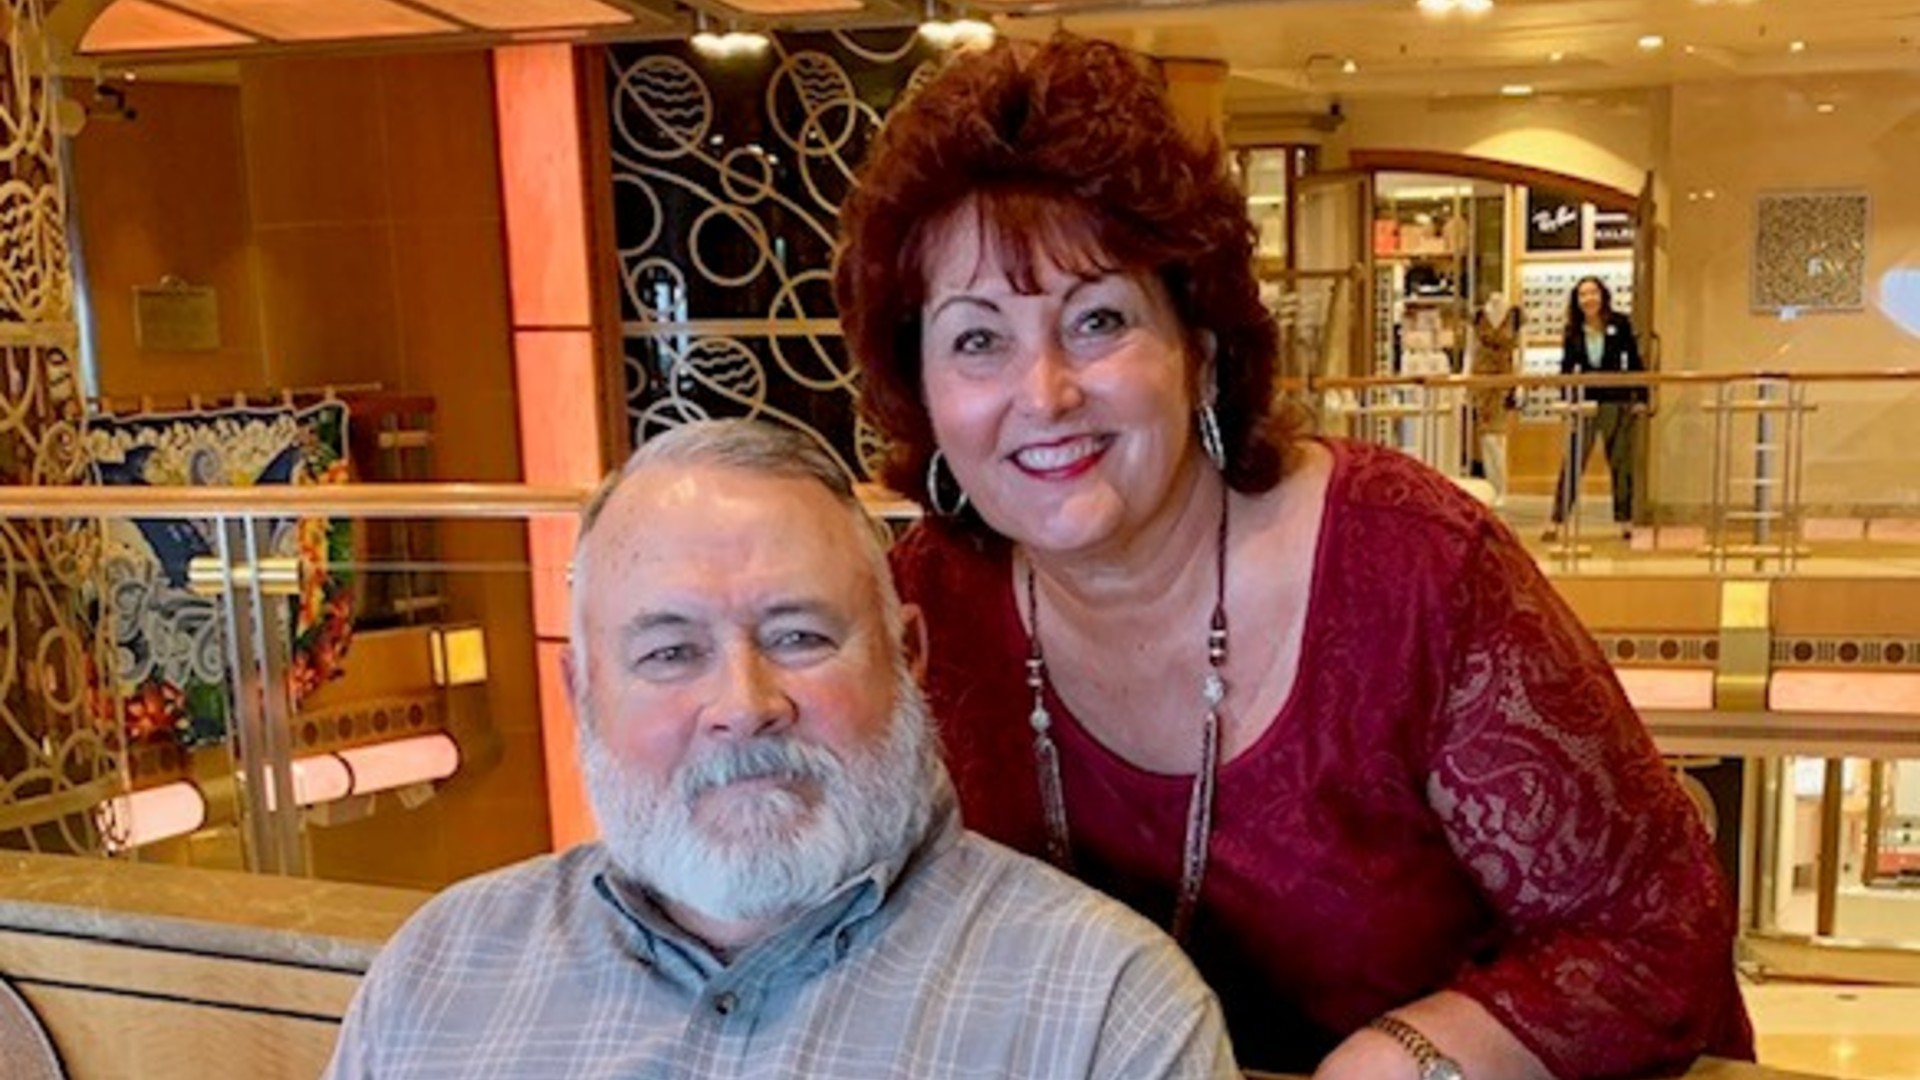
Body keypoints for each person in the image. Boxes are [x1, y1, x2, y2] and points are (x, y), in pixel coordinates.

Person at [834, 35, 1752, 1080]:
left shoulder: (1410, 568)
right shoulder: (920, 610)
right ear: (921, 386)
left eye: (1098, 320)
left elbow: (1654, 932)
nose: (1042, 393)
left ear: (1200, 348)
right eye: (977, 338)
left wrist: (1408, 1056)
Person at [322, 420, 1235, 1080]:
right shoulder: (439, 970)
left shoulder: (1102, 1011)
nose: (743, 706)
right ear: (581, 697)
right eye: (670, 653)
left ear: (907, 658)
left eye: (798, 637)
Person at [1544, 275, 1648, 541]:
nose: (1588, 299)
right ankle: (1557, 520)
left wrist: (1641, 397)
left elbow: (1634, 361)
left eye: (1593, 293)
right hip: (1585, 401)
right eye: (1582, 295)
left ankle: (1625, 521)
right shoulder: (1573, 331)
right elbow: (1566, 368)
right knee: (1574, 462)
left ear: (1602, 296)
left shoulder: (1620, 324)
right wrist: (1567, 399)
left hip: (1617, 399)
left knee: (1621, 462)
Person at [1469, 293, 1524, 503]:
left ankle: (1501, 487)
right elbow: (1470, 350)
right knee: (1485, 437)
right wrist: (1466, 380)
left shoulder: (1516, 315)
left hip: (1504, 379)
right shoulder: (1477, 316)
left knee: (1495, 438)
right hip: (1480, 379)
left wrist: (1520, 383)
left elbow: (1520, 351)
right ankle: (1493, 486)